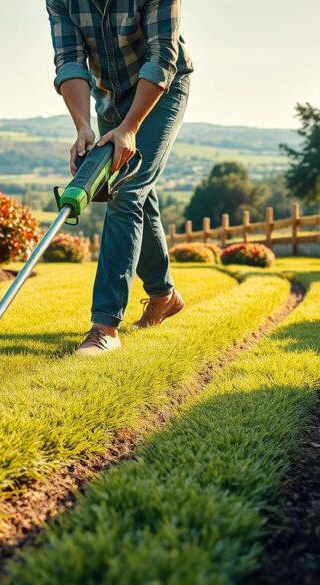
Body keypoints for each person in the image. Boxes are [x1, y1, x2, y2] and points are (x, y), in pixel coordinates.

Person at [46, 0, 193, 356]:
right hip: (110, 95)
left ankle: (105, 325)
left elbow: (162, 56)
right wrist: (82, 125)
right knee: (139, 195)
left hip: (161, 90)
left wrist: (129, 128)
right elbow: (69, 60)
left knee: (126, 192)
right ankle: (164, 296)